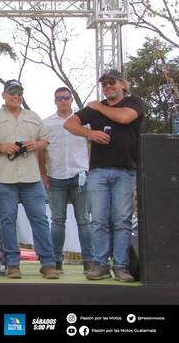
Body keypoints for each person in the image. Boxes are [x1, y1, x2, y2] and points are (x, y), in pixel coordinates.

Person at [64, 69, 144, 283]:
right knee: (98, 220)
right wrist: (90, 133)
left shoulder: (133, 102)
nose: (107, 86)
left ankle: (121, 266)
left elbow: (125, 118)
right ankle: (100, 264)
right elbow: (69, 123)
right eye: (104, 83)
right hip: (98, 171)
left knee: (122, 221)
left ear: (122, 84)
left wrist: (98, 106)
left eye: (112, 82)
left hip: (126, 170)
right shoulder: (93, 109)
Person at [0, 79, 59, 279]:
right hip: (3, 177)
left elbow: (45, 139)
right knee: (7, 220)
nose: (16, 96)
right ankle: (12, 263)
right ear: (4, 95)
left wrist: (36, 145)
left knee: (40, 218)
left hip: (31, 177)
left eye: (19, 92)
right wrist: (1, 147)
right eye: (12, 92)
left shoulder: (33, 116)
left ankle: (48, 263)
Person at [39, 87, 94, 274]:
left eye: (66, 97)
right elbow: (40, 150)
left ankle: (89, 261)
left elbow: (94, 141)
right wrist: (43, 174)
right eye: (59, 98)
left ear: (71, 100)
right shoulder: (46, 123)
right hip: (56, 176)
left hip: (80, 175)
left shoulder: (83, 122)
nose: (63, 100)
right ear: (54, 101)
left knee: (84, 220)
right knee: (57, 220)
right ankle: (56, 261)